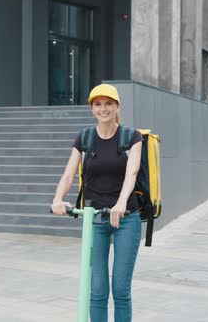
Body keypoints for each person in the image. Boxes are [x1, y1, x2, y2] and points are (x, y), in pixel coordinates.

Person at [51, 83, 143, 322]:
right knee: (98, 291)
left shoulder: (132, 137)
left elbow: (132, 172)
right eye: (98, 104)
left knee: (120, 290)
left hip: (126, 218)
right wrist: (58, 199)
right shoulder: (85, 137)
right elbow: (69, 173)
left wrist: (121, 203)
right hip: (95, 219)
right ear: (92, 108)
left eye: (108, 104)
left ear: (117, 106)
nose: (104, 109)